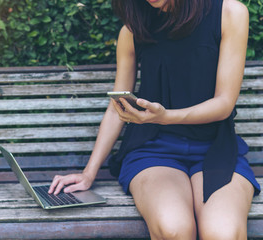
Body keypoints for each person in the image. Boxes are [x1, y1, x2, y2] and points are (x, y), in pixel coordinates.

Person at [49, 0, 261, 238]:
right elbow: (116, 108)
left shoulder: (230, 13)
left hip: (215, 149)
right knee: (174, 229)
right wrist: (88, 173)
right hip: (153, 151)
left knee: (223, 232)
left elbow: (224, 103)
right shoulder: (133, 30)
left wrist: (166, 117)